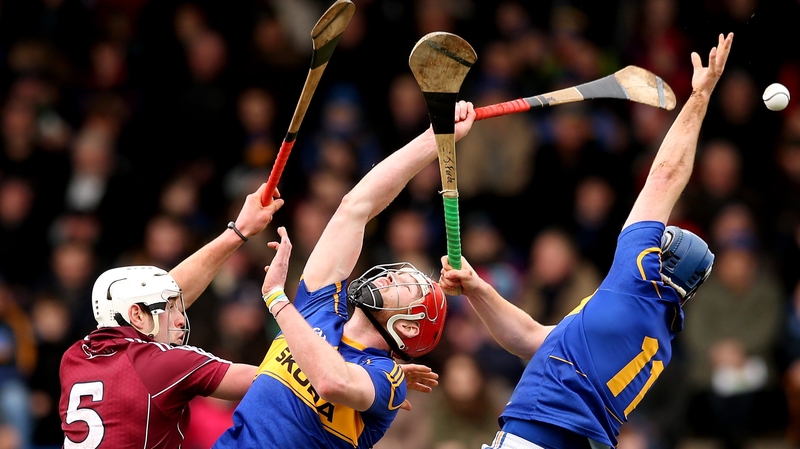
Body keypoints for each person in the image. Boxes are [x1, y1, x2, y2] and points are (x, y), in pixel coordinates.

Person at [440, 33, 733, 449]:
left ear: (662, 263)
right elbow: (530, 339)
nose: (650, 236)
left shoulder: (637, 281)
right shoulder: (653, 335)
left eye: (661, 241)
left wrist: (699, 96)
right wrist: (476, 288)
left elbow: (665, 177)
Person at [213, 101, 477, 448]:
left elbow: (332, 382)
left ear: (410, 326)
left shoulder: (387, 380)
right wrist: (436, 138)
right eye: (396, 273)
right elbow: (355, 207)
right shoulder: (320, 305)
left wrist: (277, 298)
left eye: (405, 285)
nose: (388, 277)